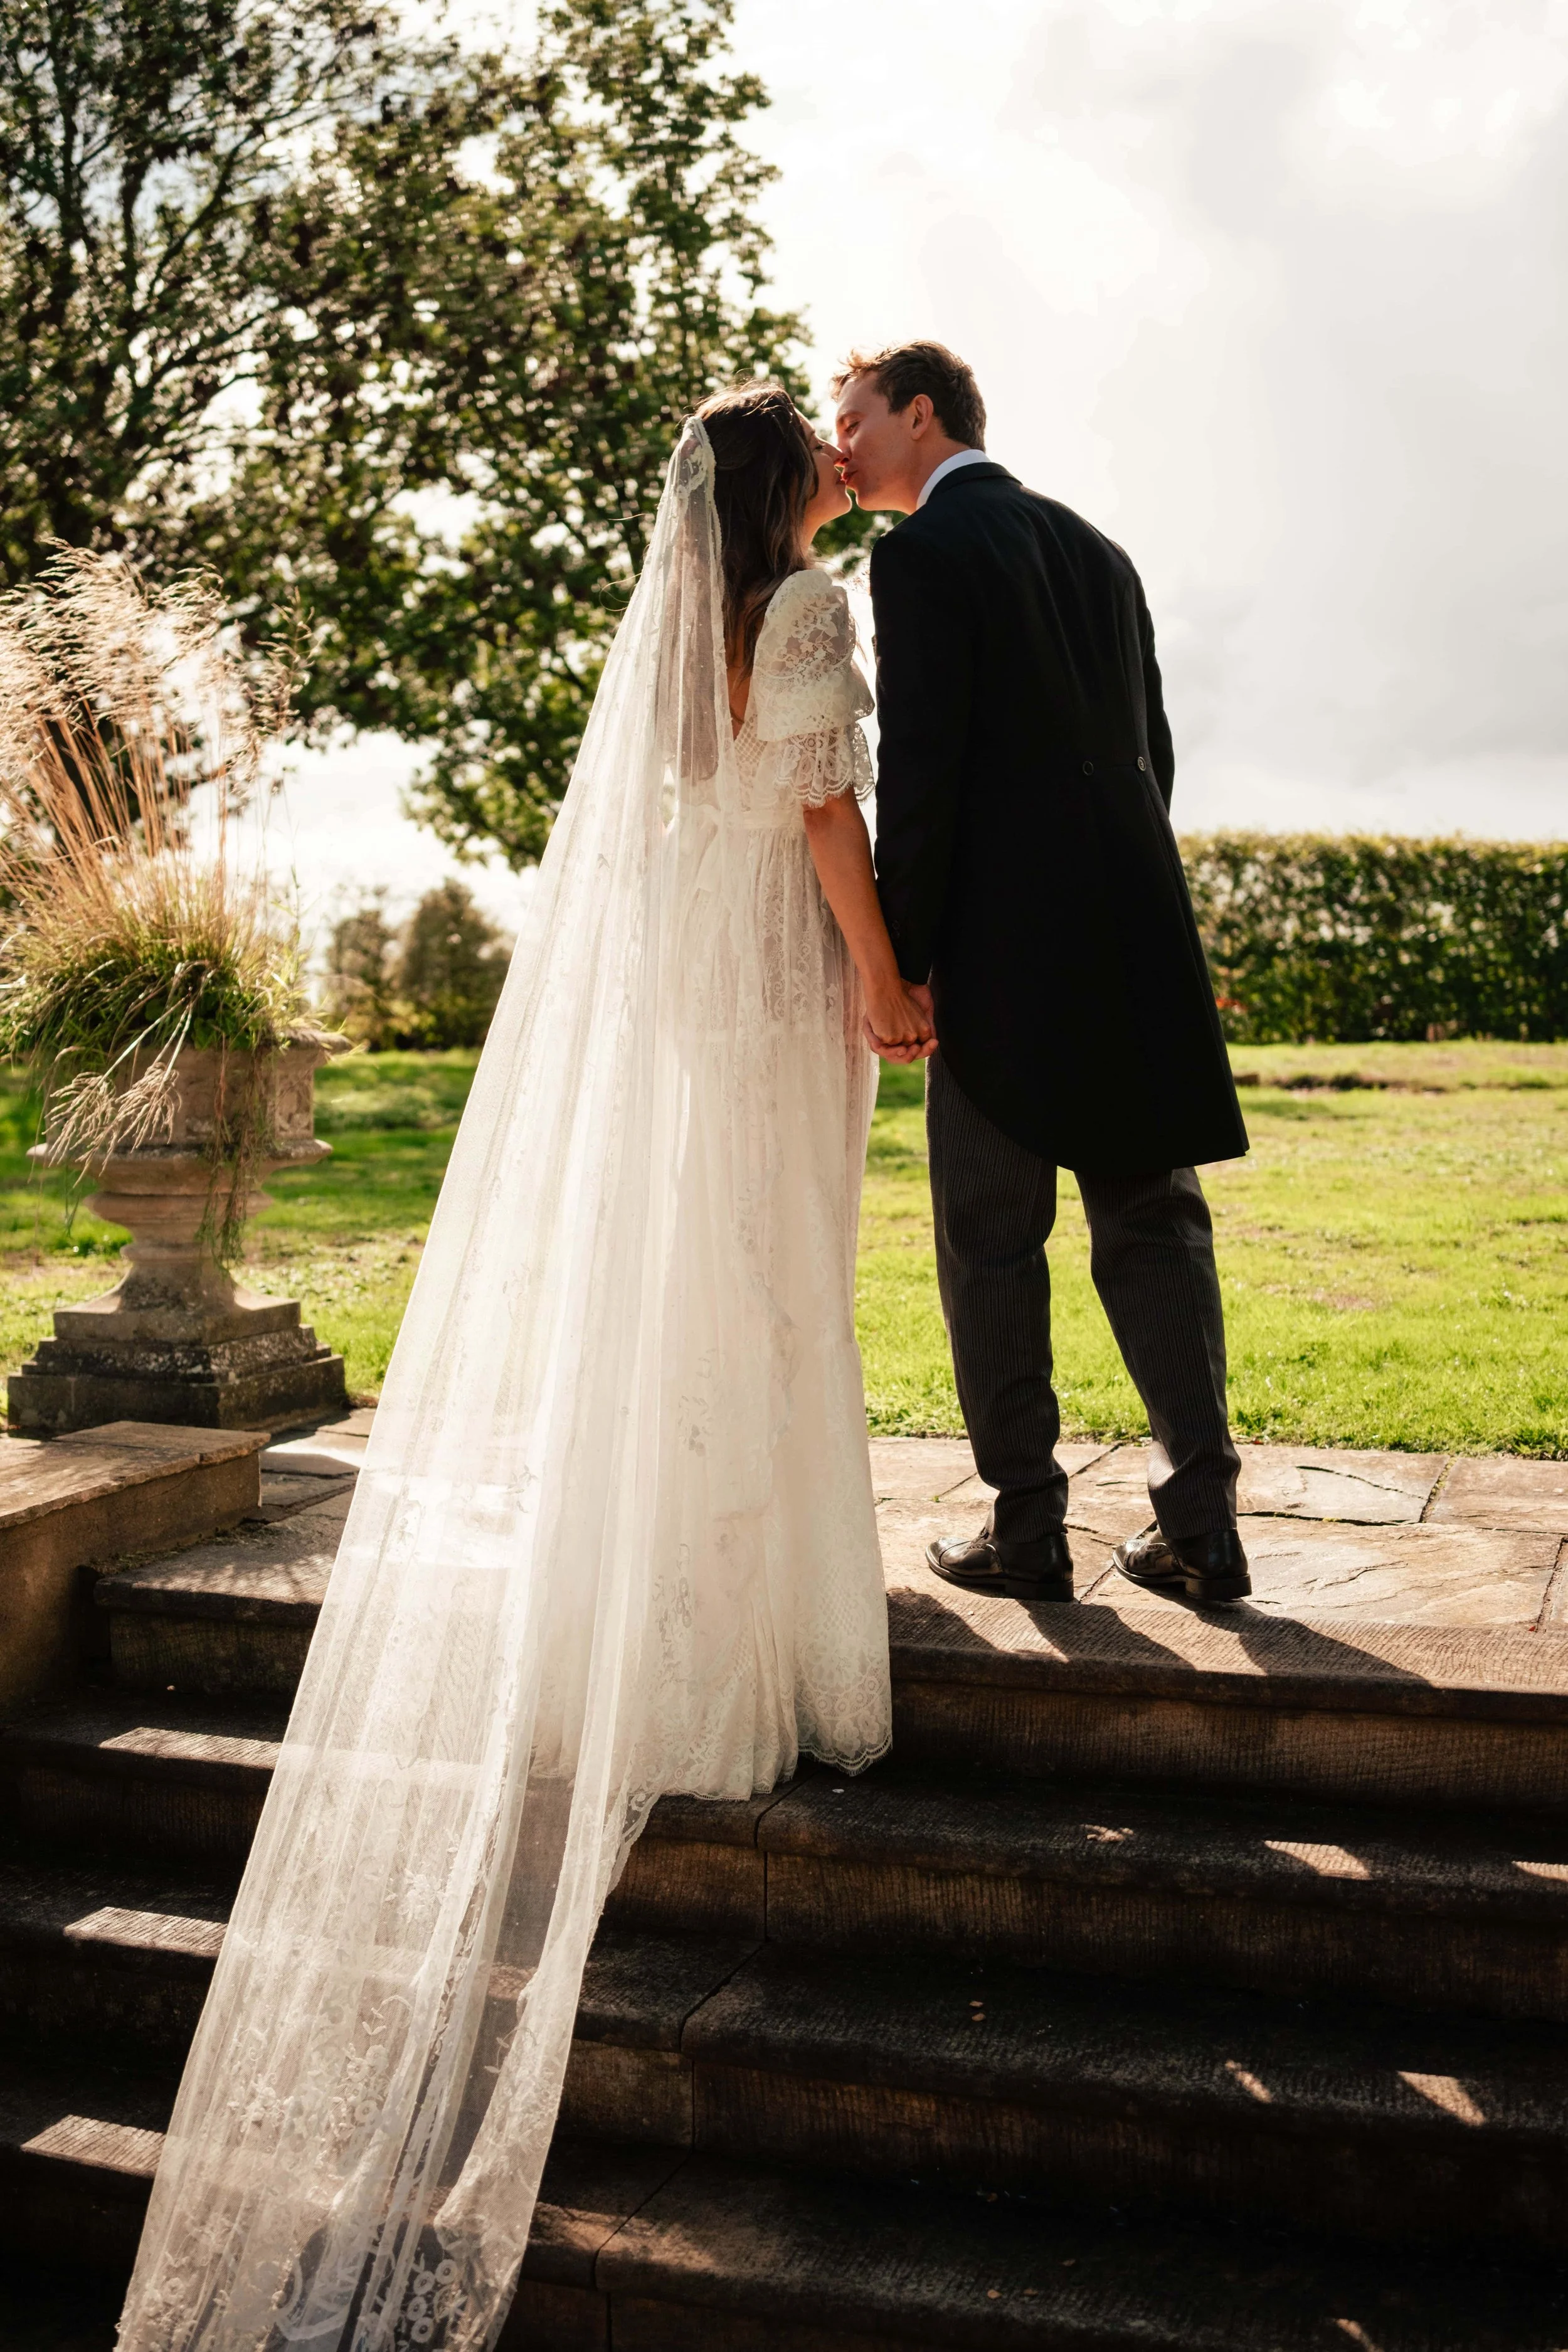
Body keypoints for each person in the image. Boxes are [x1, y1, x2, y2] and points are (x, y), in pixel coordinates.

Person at [115, 386, 923, 2352]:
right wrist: (885, 977)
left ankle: (651, 1608)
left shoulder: (679, 639)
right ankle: (747, 1648)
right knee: (771, 1284)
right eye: (809, 449)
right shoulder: (809, 611)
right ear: (773, 494)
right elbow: (821, 811)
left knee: (699, 1286)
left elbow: (698, 812)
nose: (836, 455)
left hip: (689, 973)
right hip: (777, 970)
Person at [833, 341, 1252, 1612]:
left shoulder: (918, 557)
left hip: (997, 968)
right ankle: (1203, 1531)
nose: (839, 444)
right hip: (1131, 945)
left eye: (851, 418)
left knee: (990, 1245)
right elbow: (1151, 759)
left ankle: (1025, 1534)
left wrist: (899, 968)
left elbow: (920, 783)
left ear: (918, 412)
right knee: (1154, 1230)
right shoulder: (1095, 549)